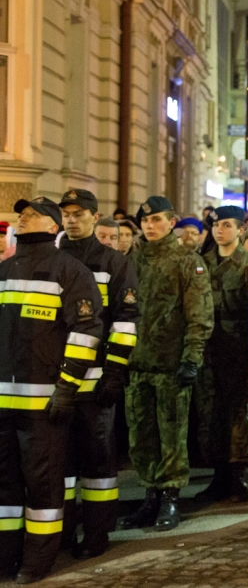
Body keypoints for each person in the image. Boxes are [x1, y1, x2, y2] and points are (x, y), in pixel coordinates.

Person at [0, 197, 104, 584]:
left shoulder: (70, 272)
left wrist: (66, 388)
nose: (22, 218)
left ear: (52, 224)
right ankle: (5, 556)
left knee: (43, 486)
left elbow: (87, 331)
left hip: (43, 402)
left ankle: (38, 560)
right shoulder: (4, 270)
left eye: (31, 214)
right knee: (4, 490)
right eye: (21, 214)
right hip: (2, 403)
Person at [120, 196, 213, 532]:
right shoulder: (131, 259)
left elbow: (199, 314)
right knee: (140, 436)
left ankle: (171, 496)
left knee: (172, 435)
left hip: (171, 365)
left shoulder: (187, 261)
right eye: (145, 221)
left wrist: (192, 358)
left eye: (157, 219)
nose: (150, 225)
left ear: (171, 223)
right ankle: (150, 495)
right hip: (136, 363)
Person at [57, 190, 139, 558]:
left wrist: (114, 373)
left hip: (96, 377)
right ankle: (60, 531)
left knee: (98, 461)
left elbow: (125, 322)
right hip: (57, 377)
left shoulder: (113, 261)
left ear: (94, 216)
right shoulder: (53, 258)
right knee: (60, 463)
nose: (71, 219)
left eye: (78, 213)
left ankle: (97, 531)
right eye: (66, 213)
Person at [195, 206, 248, 504]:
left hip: (239, 350)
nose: (219, 230)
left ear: (240, 230)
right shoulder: (201, 264)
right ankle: (218, 475)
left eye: (226, 225)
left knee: (236, 414)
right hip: (208, 351)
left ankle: (236, 478)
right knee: (210, 414)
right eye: (215, 226)